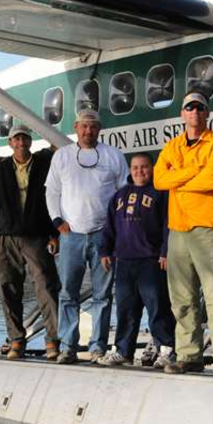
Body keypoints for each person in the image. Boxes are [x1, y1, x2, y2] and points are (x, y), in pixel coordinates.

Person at [154, 91, 213, 378]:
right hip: (178, 228)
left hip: (208, 226)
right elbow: (158, 179)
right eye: (189, 107)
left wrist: (178, 176)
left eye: (199, 108)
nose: (194, 112)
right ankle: (190, 355)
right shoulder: (172, 145)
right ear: (183, 114)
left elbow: (212, 180)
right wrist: (193, 171)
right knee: (182, 297)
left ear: (207, 114)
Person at [45, 108, 129, 364]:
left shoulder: (113, 156)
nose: (88, 131)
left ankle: (97, 346)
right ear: (76, 127)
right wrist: (57, 221)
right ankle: (68, 346)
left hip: (104, 235)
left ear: (99, 129)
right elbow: (52, 192)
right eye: (84, 126)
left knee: (102, 295)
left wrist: (117, 228)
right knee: (68, 293)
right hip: (72, 235)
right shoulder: (62, 157)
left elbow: (123, 192)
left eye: (93, 126)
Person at [0, 124, 61, 361]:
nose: (21, 143)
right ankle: (17, 339)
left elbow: (52, 198)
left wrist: (53, 233)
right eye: (16, 139)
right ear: (10, 143)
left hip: (36, 236)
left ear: (30, 141)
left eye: (25, 139)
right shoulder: (0, 170)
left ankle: (53, 340)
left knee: (46, 287)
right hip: (6, 238)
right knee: (8, 289)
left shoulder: (43, 165)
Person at [97, 153, 176, 369]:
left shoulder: (161, 193)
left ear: (151, 168)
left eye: (144, 167)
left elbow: (167, 225)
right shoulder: (119, 196)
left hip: (151, 260)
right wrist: (105, 251)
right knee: (126, 309)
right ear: (130, 171)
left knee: (157, 307)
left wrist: (165, 251)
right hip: (124, 260)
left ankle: (166, 349)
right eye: (135, 168)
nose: (140, 171)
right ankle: (124, 350)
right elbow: (110, 227)